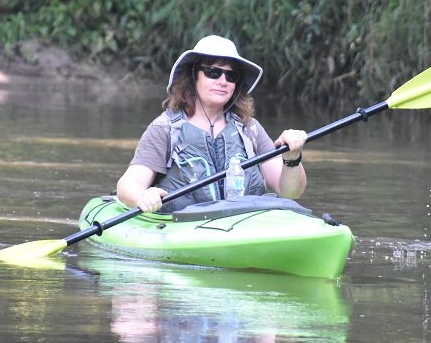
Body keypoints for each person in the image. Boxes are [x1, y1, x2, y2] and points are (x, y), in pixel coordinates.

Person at [117, 35, 307, 213]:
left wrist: (292, 158)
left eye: (230, 76)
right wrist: (142, 196)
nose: (223, 81)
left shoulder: (250, 129)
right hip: (183, 230)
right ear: (194, 76)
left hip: (244, 225)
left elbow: (289, 192)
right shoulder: (165, 129)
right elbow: (127, 186)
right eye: (213, 72)